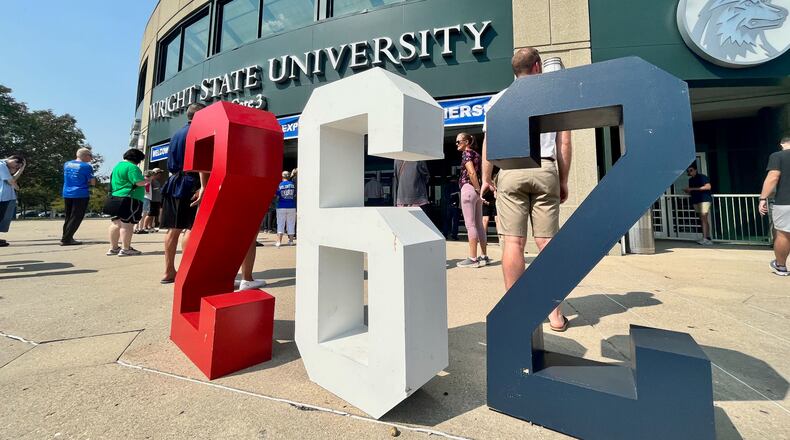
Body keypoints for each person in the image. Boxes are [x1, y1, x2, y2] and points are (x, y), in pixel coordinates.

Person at [480, 47, 573, 332]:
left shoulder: (497, 101)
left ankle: (516, 311)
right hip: (544, 168)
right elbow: (564, 144)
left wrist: (486, 178)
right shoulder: (553, 97)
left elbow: (488, 146)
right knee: (547, 244)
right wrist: (563, 180)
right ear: (536, 67)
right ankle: (554, 315)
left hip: (510, 170)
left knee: (513, 243)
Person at [160, 103, 205, 284]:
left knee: (174, 229)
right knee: (191, 228)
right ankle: (189, 273)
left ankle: (169, 271)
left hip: (173, 182)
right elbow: (202, 161)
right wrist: (203, 186)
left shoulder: (177, 134)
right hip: (191, 182)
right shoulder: (200, 131)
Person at [456, 133, 489, 268]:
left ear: (467, 142)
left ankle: (473, 258)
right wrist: (479, 190)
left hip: (469, 189)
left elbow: (471, 172)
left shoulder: (467, 154)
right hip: (476, 190)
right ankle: (484, 256)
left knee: (470, 225)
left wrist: (476, 188)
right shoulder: (476, 154)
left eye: (459, 141)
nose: (457, 144)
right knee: (479, 225)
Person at [107, 149, 149, 256]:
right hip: (130, 198)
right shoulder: (132, 167)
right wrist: (147, 181)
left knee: (116, 223)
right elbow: (138, 182)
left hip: (115, 197)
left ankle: (114, 248)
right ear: (137, 159)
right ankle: (126, 249)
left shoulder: (117, 166)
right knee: (127, 224)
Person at [759, 133, 790, 276]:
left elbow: (773, 177)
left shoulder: (778, 156)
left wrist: (763, 198)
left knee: (783, 234)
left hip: (785, 201)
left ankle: (781, 266)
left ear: (783, 144)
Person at [61, 148, 96, 245]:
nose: (91, 158)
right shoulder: (86, 166)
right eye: (90, 155)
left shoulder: (67, 164)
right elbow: (92, 182)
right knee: (76, 217)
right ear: (85, 155)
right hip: (80, 193)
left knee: (68, 216)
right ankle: (67, 239)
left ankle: (66, 236)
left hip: (67, 192)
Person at [685, 163, 713, 245]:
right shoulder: (690, 180)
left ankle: (706, 238)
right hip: (696, 200)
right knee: (702, 218)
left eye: (691, 170)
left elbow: (708, 187)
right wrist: (688, 190)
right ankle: (707, 237)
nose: (689, 172)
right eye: (688, 171)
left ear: (695, 170)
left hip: (704, 199)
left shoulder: (702, 177)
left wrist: (692, 189)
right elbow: (692, 191)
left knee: (704, 217)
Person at [0, 155, 26, 247]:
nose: (15, 168)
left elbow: (13, 178)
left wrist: (21, 169)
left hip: (5, 196)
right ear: (13, 160)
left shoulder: (4, 166)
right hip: (2, 196)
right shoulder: (1, 165)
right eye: (16, 165)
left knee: (1, 217)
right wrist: (16, 187)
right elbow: (10, 181)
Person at [276, 171, 297, 247]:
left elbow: (277, 194)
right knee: (291, 224)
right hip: (292, 206)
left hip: (281, 206)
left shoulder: (280, 184)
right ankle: (291, 241)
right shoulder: (293, 184)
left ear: (282, 176)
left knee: (280, 223)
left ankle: (279, 241)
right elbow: (295, 194)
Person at [442, 176, 461, 241]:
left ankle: (445, 234)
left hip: (448, 206)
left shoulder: (446, 186)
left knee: (447, 221)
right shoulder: (457, 186)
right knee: (455, 221)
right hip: (455, 206)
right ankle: (454, 235)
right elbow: (458, 194)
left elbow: (445, 196)